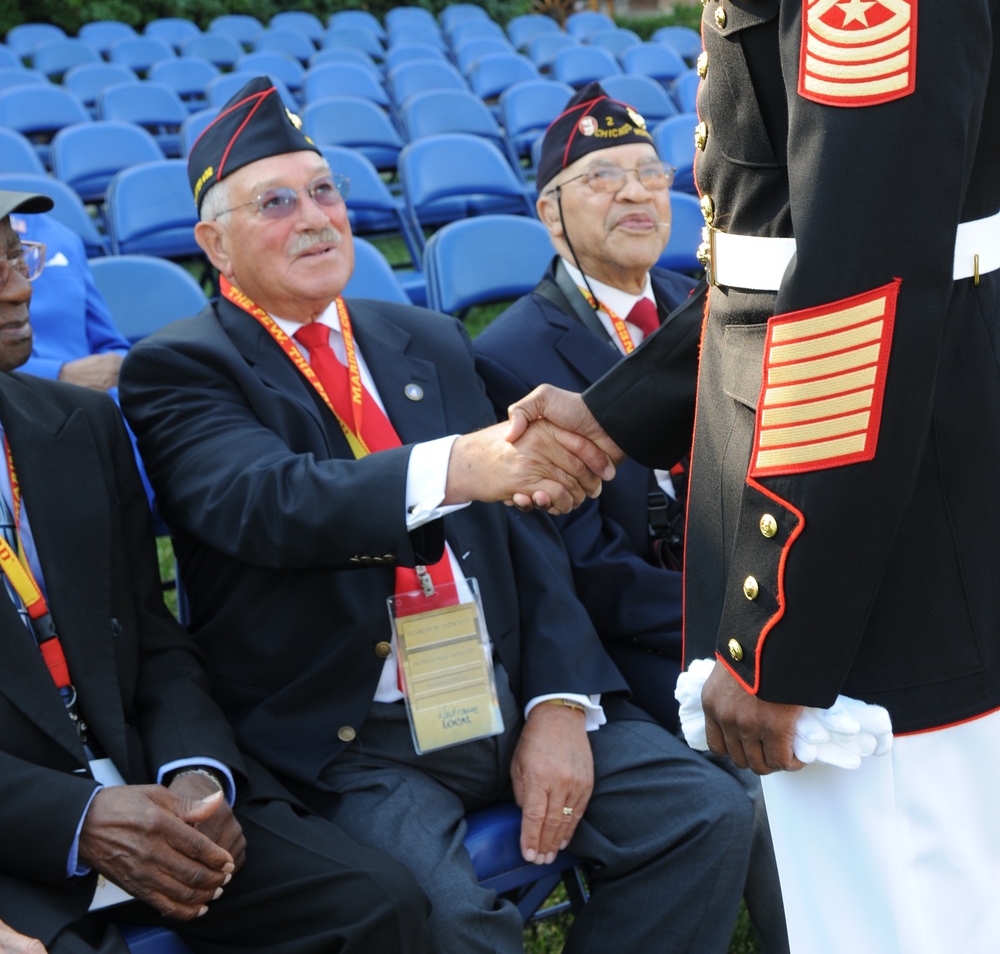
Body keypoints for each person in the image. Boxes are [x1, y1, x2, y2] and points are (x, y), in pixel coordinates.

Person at [508, 0, 1000, 954]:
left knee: (902, 920)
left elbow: (860, 276)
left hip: (882, 584)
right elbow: (767, 248)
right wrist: (614, 409)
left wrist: (779, 637)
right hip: (912, 522)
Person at [119, 77, 753, 954]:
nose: (315, 216)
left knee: (704, 813)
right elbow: (268, 501)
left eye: (326, 190)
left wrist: (561, 701)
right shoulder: (182, 365)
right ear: (212, 243)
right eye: (276, 201)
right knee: (449, 919)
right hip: (357, 733)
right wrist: (465, 463)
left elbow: (531, 536)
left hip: (500, 685)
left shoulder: (422, 335)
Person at [0, 182, 431, 954]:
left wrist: (197, 772)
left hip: (148, 789)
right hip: (20, 833)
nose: (19, 283)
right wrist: (74, 819)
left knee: (374, 903)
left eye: (16, 254)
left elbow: (151, 632)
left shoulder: (77, 422)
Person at [475, 83, 788, 954]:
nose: (636, 195)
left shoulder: (708, 305)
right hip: (640, 644)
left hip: (746, 608)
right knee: (768, 775)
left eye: (652, 176)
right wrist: (737, 632)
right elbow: (581, 564)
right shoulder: (513, 353)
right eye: (602, 179)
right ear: (550, 214)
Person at [11, 210, 129, 388]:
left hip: (92, 399)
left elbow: (109, 342)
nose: (21, 292)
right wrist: (58, 373)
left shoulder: (60, 236)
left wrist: (116, 367)